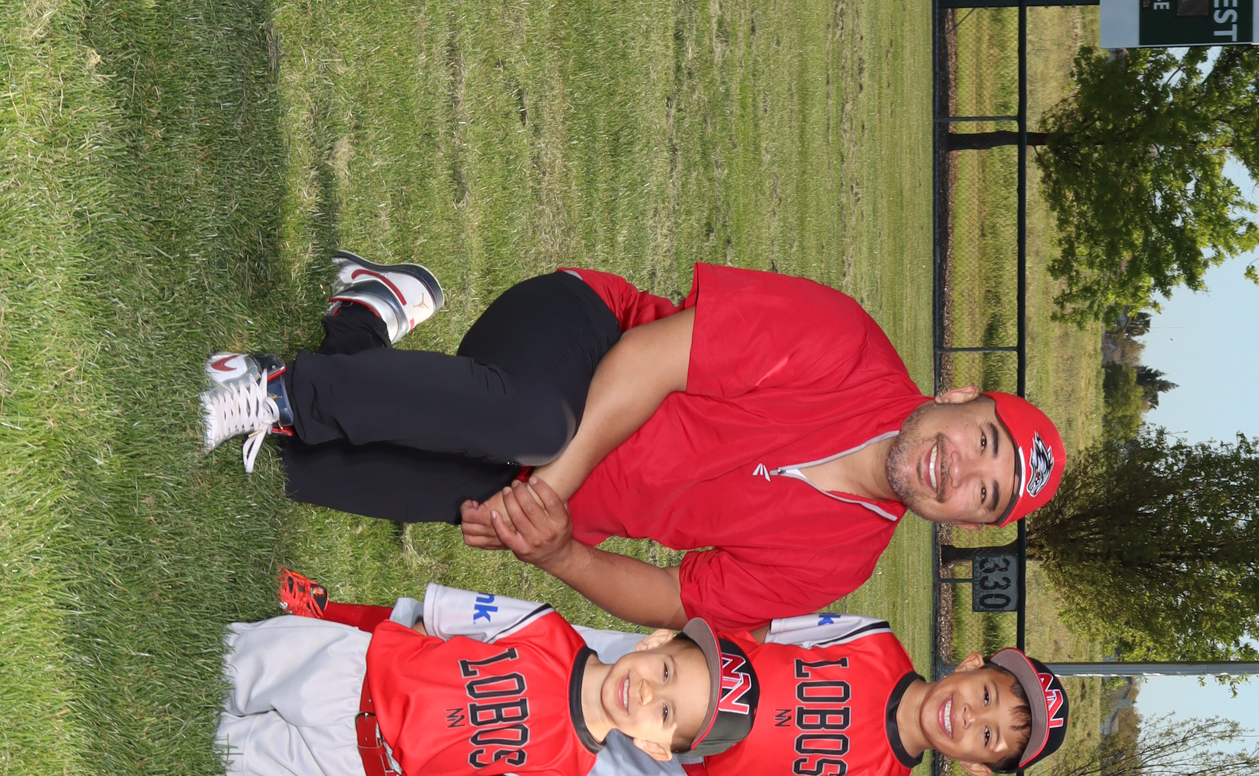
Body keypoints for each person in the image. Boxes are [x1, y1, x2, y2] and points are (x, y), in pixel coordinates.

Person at [196, 252, 1068, 627]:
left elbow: (678, 600)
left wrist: (558, 549)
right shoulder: (845, 344)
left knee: (312, 470)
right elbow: (651, 360)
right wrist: (552, 485)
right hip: (578, 341)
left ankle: (366, 315)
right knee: (534, 423)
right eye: (982, 439)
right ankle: (273, 386)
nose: (960, 468)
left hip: (538, 483)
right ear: (960, 397)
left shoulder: (840, 564)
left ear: (963, 521)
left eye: (983, 493)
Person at [219, 570, 1071, 776]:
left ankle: (358, 769)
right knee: (512, 663)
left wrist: (713, 758)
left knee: (516, 764)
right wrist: (699, 670)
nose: (971, 718)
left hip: (675, 758)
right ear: (972, 664)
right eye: (988, 696)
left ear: (974, 766)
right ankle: (339, 630)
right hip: (688, 670)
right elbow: (774, 631)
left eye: (989, 738)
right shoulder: (876, 642)